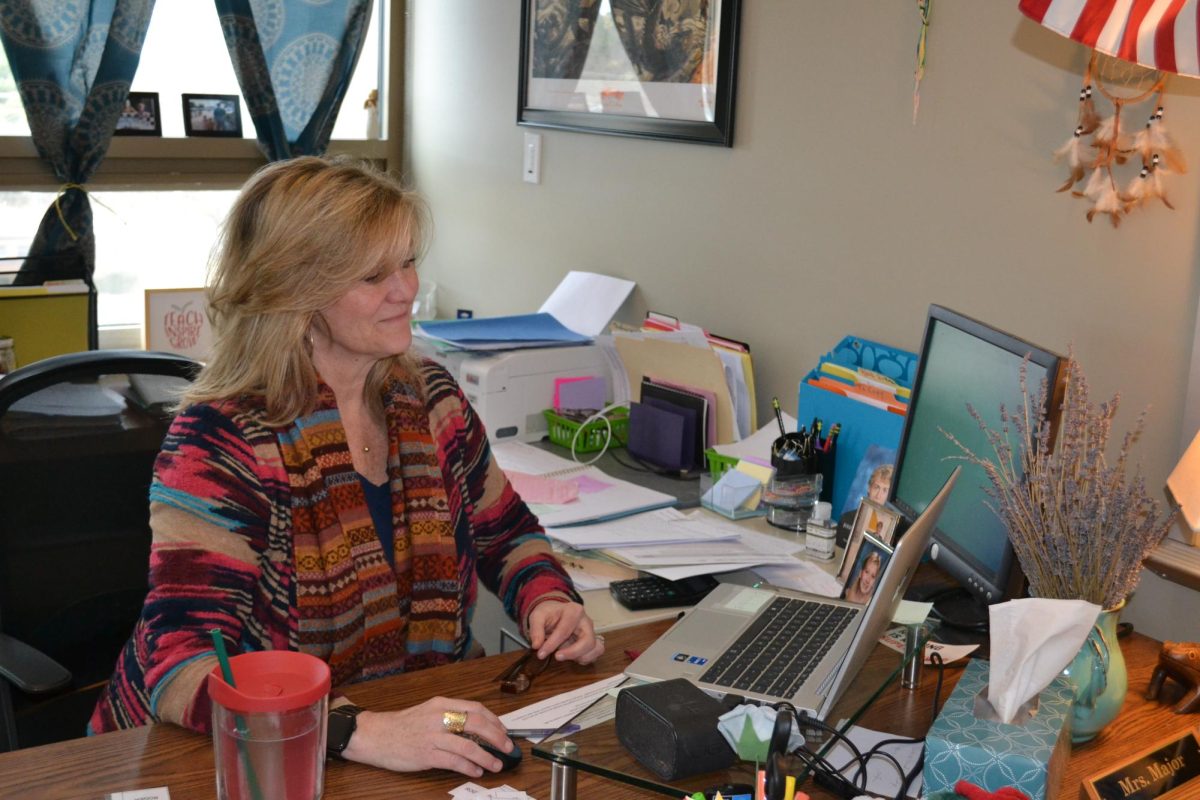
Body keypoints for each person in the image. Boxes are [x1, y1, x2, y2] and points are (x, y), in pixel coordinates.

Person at [89, 156, 603, 778]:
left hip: (406, 733)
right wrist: (355, 728)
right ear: (297, 293)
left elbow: (507, 532)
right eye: (372, 276)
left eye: (409, 261)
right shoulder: (222, 440)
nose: (407, 290)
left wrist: (547, 597)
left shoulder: (433, 399)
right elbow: (179, 663)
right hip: (222, 757)